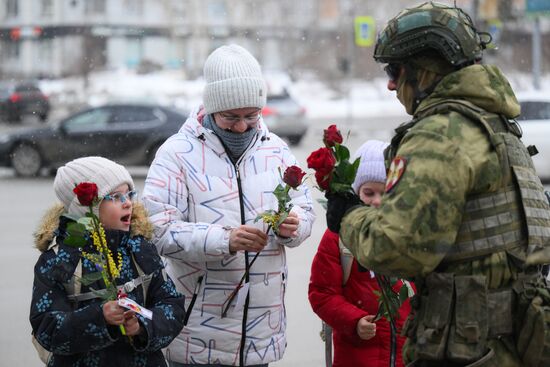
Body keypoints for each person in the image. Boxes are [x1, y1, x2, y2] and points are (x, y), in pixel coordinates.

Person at [325, 2, 550, 367]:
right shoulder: (498, 126)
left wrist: (349, 218)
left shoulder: (441, 134)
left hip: (469, 347)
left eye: (396, 70)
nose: (390, 83)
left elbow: (397, 249)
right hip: (512, 343)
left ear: (426, 71)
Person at [142, 44, 315, 367]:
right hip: (196, 332)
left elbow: (304, 207)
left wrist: (294, 225)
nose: (241, 127)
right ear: (210, 110)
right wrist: (224, 240)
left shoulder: (276, 151)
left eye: (251, 116)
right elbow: (156, 230)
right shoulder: (176, 154)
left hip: (260, 332)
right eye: (230, 118)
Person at [30, 156, 187, 367]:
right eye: (115, 197)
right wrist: (99, 317)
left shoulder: (140, 248)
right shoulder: (59, 260)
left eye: (129, 194)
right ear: (86, 208)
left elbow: (172, 306)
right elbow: (47, 329)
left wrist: (143, 326)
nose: (128, 203)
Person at [309, 140, 412, 367]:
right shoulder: (339, 237)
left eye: (384, 193)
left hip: (409, 354)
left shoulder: (410, 234)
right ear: (356, 192)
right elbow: (322, 293)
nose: (376, 201)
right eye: (368, 192)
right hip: (358, 356)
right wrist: (354, 321)